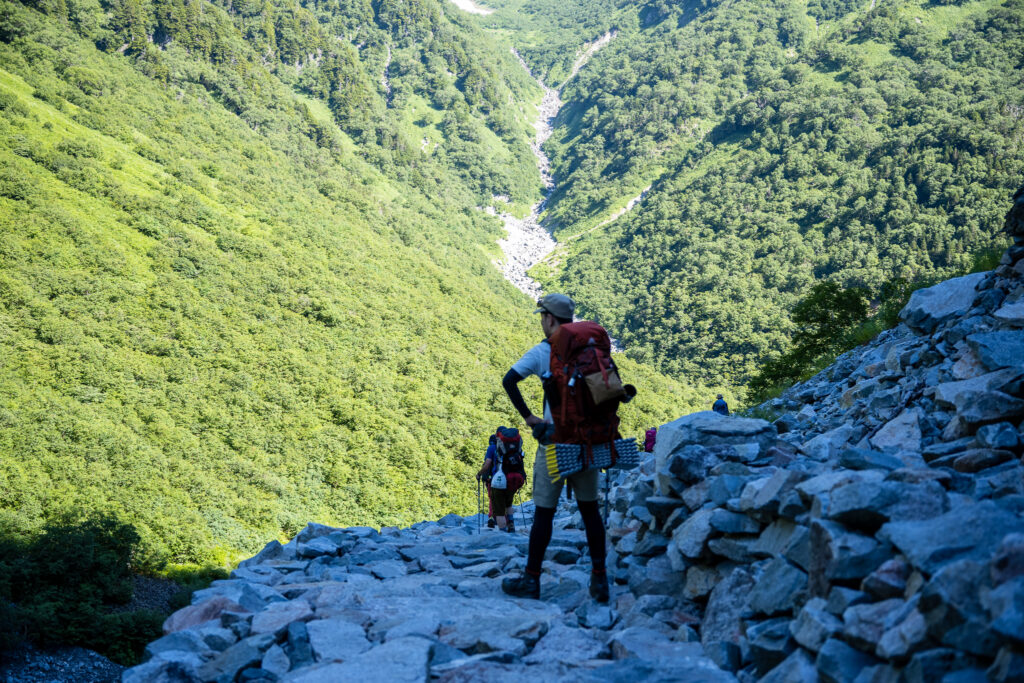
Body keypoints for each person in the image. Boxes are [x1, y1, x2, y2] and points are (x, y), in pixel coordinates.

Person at [499, 293, 610, 603]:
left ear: (549, 318)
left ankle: (531, 580)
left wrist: (530, 417)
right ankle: (600, 580)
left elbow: (509, 381)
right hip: (587, 442)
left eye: (542, 317)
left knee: (544, 515)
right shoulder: (590, 349)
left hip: (554, 444)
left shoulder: (544, 351)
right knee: (590, 513)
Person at [476, 427, 525, 533]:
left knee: (499, 510)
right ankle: (511, 524)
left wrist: (479, 474)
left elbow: (487, 465)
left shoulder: (492, 448)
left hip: (498, 481)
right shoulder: (515, 448)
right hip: (513, 480)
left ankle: (503, 534)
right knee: (508, 504)